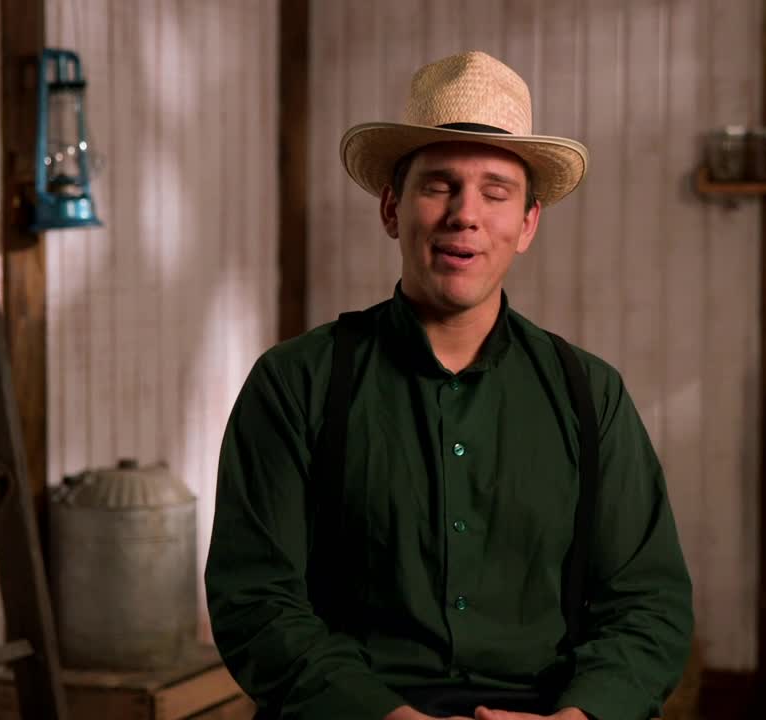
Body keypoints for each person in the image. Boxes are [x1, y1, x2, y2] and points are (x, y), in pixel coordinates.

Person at [205, 50, 693, 720]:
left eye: (496, 193)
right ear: (391, 208)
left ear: (527, 224)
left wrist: (576, 718)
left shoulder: (591, 395)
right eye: (439, 186)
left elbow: (649, 605)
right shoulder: (294, 384)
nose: (466, 215)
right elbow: (256, 602)